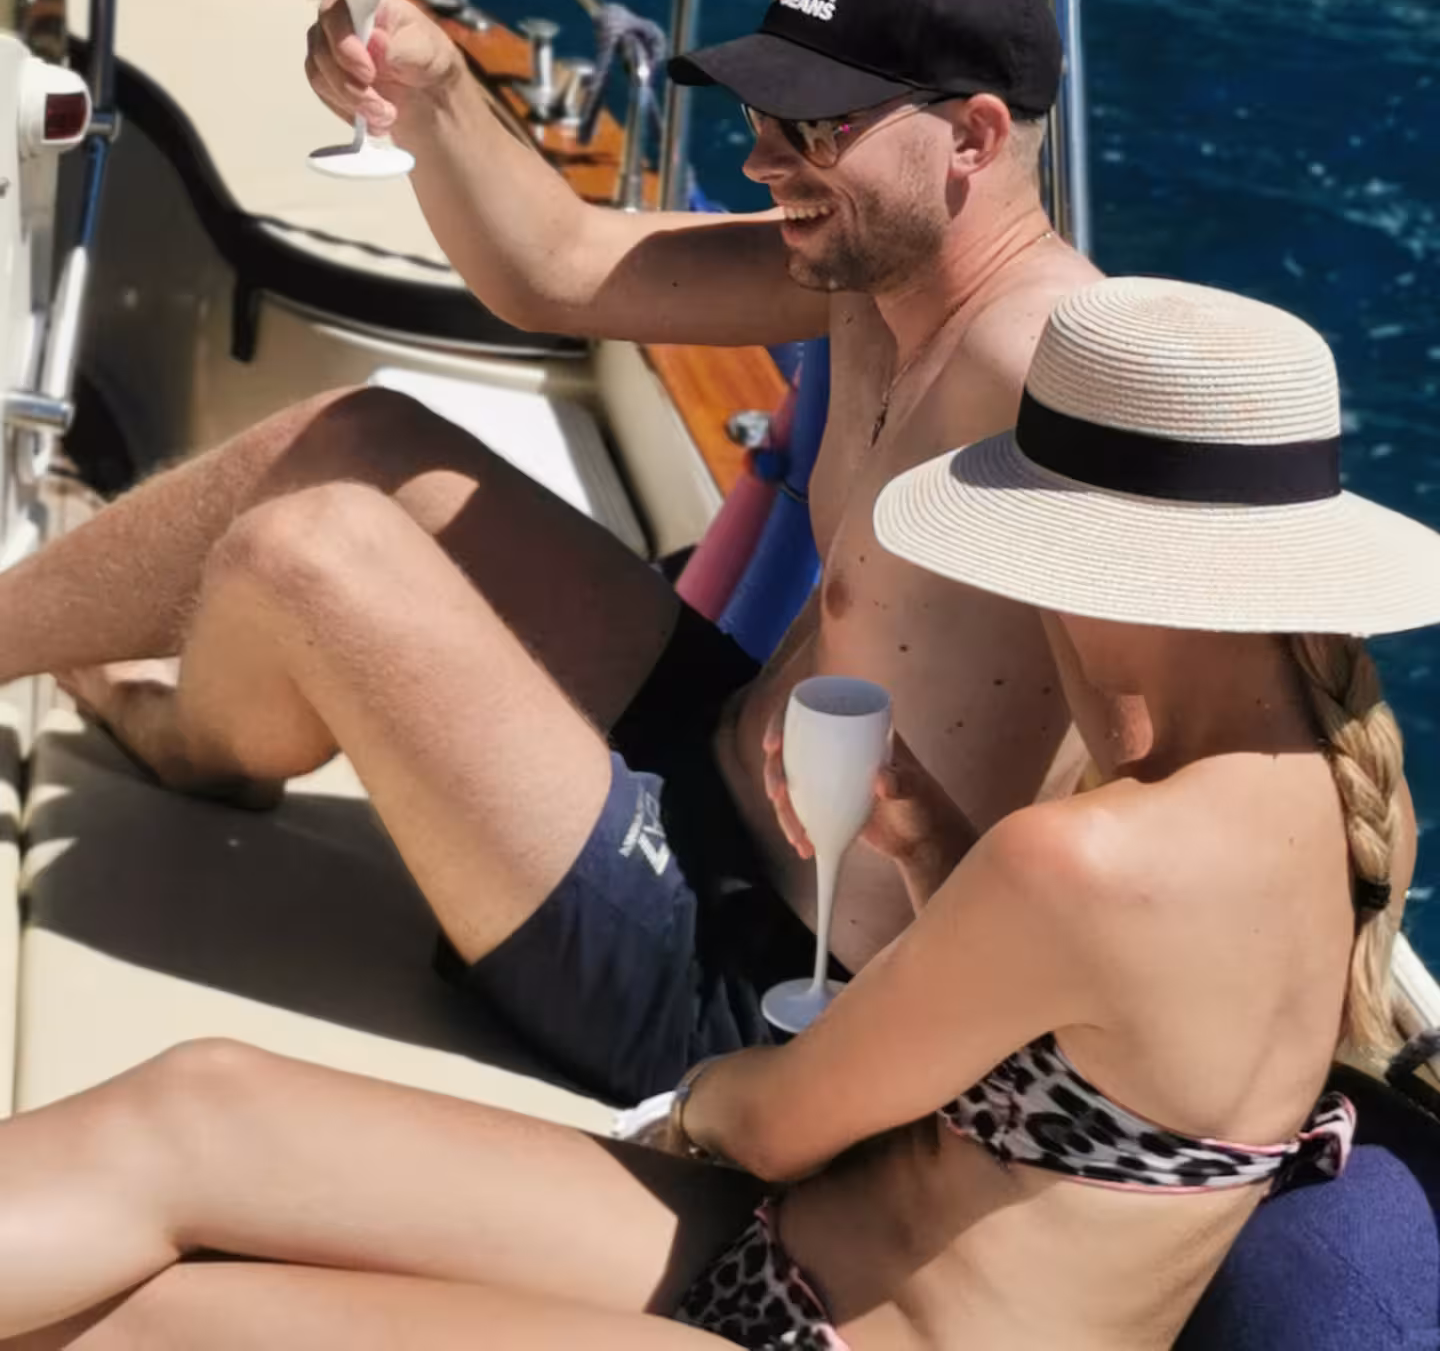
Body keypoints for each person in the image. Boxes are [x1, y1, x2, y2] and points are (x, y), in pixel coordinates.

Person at [0, 275, 1434, 1351]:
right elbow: (1094, 1069)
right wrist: (938, 854)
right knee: (207, 1109)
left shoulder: (1099, 851)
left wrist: (686, 1107)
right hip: (796, 1269)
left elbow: (782, 1121)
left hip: (804, 1315)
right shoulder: (1335, 812)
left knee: (178, 1321)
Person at [7, 0, 1098, 1104]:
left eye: (814, 128)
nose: (764, 160)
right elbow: (559, 266)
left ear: (974, 138)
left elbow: (1216, 745)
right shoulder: (870, 271)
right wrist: (432, 93)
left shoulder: (1060, 375)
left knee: (312, 552)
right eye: (762, 117)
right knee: (360, 442)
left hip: (756, 977)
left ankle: (194, 740)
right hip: (714, 755)